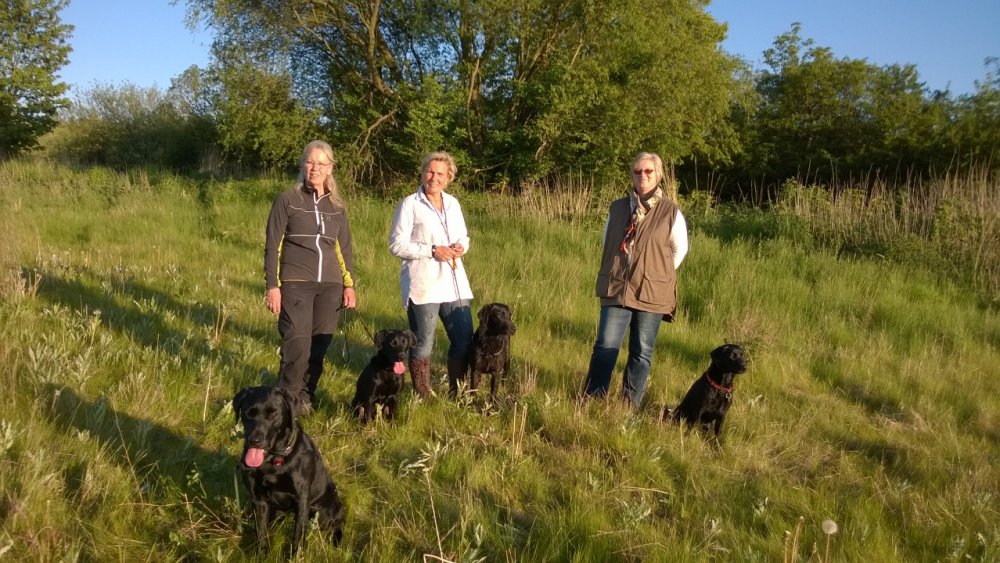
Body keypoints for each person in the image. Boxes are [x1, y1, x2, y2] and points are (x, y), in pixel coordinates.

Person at [581, 151, 689, 408]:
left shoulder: (670, 212)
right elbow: (606, 241)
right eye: (637, 171)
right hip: (617, 287)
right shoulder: (618, 207)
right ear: (632, 175)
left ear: (658, 175)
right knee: (605, 347)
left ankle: (629, 405)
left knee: (641, 352)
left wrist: (655, 274)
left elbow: (679, 250)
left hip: (652, 293)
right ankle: (593, 400)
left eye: (648, 171)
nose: (643, 175)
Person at [264, 140, 357, 410]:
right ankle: (286, 404)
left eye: (321, 163)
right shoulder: (287, 200)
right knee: (297, 345)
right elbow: (273, 245)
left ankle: (306, 398)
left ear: (330, 168)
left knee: (319, 347)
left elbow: (344, 249)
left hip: (330, 286)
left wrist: (349, 285)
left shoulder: (338, 208)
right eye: (310, 162)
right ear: (303, 165)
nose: (315, 168)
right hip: (296, 283)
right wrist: (272, 286)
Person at [388, 151, 474, 398]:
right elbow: (396, 245)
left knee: (464, 338)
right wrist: (433, 250)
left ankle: (458, 392)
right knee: (423, 342)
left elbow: (464, 236)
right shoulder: (410, 204)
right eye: (429, 171)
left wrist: (461, 246)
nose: (433, 178)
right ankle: (422, 394)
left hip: (454, 282)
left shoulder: (453, 203)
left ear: (449, 178)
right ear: (422, 172)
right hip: (424, 283)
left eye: (440, 174)